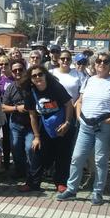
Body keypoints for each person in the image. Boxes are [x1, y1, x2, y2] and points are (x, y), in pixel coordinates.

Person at [57, 52, 110, 205]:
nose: (101, 64)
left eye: (105, 61)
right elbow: (80, 101)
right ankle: (71, 189)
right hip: (85, 125)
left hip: (104, 126)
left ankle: (98, 192)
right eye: (98, 61)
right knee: (77, 158)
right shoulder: (89, 81)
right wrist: (78, 116)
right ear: (94, 64)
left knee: (100, 161)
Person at [19, 65, 75, 193]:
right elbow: (32, 115)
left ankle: (61, 182)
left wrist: (67, 123)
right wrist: (36, 137)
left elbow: (68, 104)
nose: (38, 77)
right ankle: (32, 183)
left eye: (40, 74)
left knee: (62, 155)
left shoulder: (55, 87)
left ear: (45, 75)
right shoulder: (30, 92)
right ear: (31, 79)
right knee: (37, 153)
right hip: (45, 127)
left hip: (62, 125)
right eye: (34, 76)